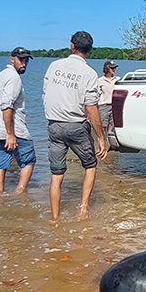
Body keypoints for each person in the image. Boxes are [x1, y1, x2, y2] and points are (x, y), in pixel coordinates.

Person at [43, 31, 108, 222]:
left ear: (72, 46)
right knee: (90, 165)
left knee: (56, 174)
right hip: (76, 126)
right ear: (90, 50)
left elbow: (45, 93)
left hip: (54, 125)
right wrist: (101, 137)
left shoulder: (54, 66)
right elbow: (91, 108)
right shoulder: (89, 73)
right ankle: (83, 210)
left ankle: (54, 218)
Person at [0, 47, 36, 194]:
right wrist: (10, 134)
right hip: (15, 130)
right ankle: (19, 194)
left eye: (26, 60)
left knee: (0, 166)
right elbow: (7, 105)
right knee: (29, 161)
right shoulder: (14, 78)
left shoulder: (2, 75)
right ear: (12, 59)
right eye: (21, 60)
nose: (24, 63)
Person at [97, 60, 118, 137]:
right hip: (104, 106)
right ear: (106, 69)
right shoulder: (100, 80)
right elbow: (97, 95)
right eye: (112, 68)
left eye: (115, 68)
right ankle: (102, 142)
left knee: (113, 125)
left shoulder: (118, 80)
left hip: (115, 106)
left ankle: (111, 144)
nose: (114, 69)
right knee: (103, 126)